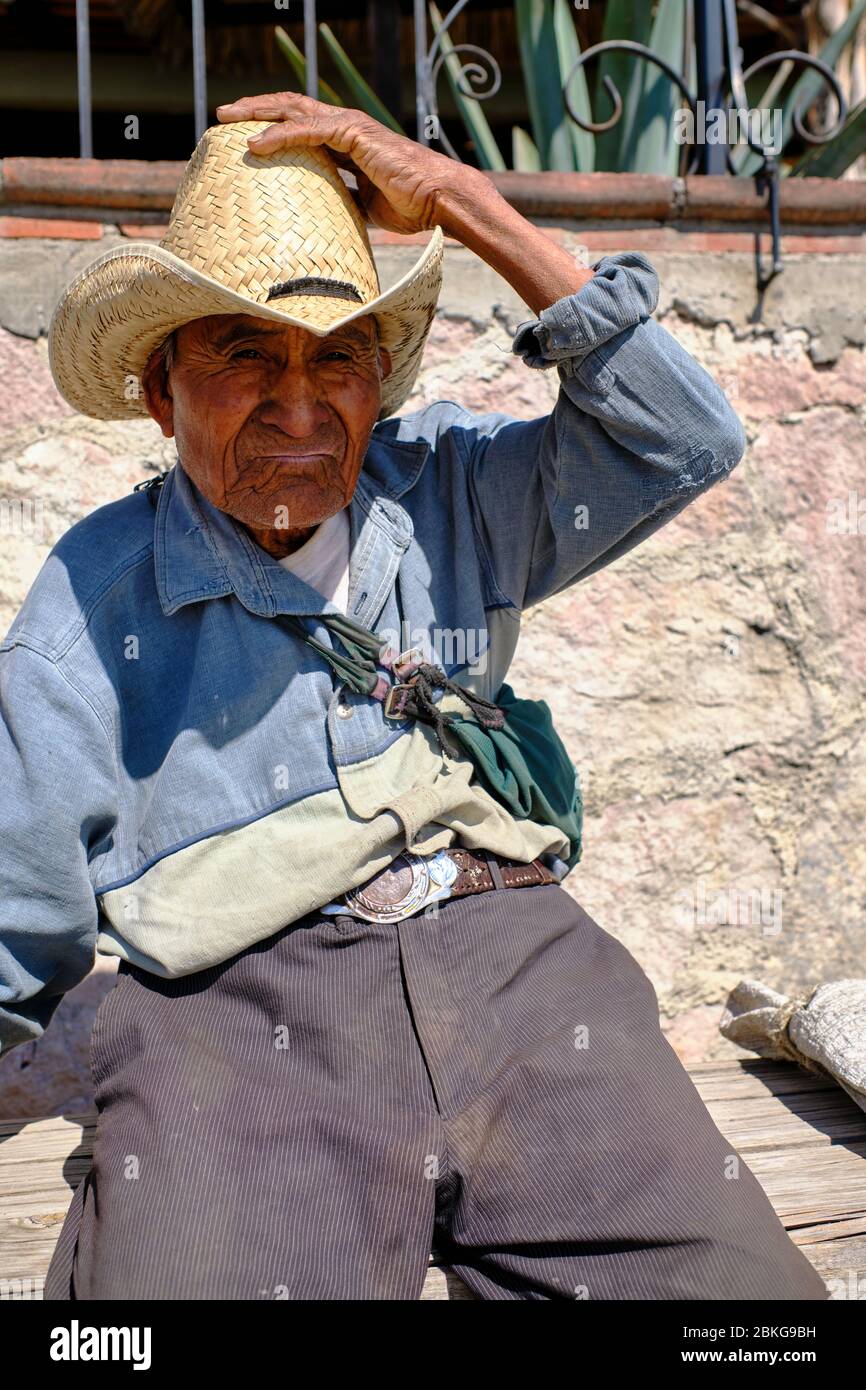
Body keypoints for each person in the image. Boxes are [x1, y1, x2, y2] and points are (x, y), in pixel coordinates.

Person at [0, 93, 826, 1300]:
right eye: (241, 355)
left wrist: (462, 201)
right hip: (233, 1016)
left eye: (335, 357)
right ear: (157, 391)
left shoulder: (449, 489)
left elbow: (680, 439)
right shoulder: (87, 609)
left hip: (516, 969)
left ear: (379, 380)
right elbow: (15, 933)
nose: (298, 407)